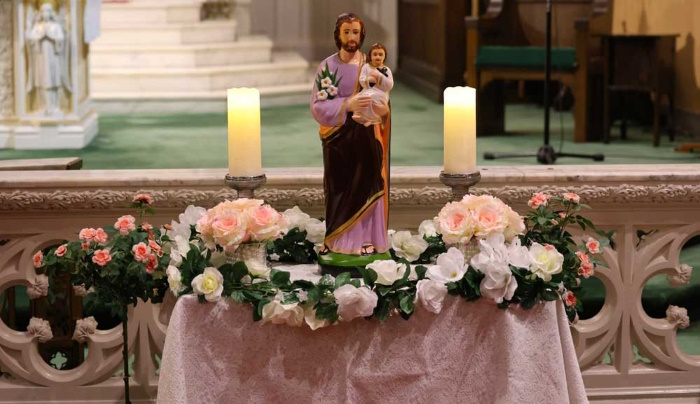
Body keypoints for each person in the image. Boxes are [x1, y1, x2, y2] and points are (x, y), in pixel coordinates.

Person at [310, 13, 392, 273]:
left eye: (355, 32)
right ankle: (337, 241)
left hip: (366, 137)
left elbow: (384, 98)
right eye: (346, 32)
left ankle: (367, 240)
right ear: (338, 35)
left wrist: (380, 112)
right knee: (339, 190)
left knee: (368, 185)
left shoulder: (371, 65)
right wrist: (348, 104)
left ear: (361, 35)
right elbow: (318, 106)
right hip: (338, 142)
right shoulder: (328, 66)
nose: (351, 37)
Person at [353, 43, 393, 127]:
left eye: (380, 55)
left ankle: (372, 119)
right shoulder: (366, 67)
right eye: (375, 54)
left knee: (372, 97)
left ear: (384, 56)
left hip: (380, 92)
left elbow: (390, 85)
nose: (377, 57)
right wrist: (368, 80)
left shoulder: (386, 69)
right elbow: (361, 79)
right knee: (359, 97)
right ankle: (361, 116)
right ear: (370, 56)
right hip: (367, 90)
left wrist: (379, 77)